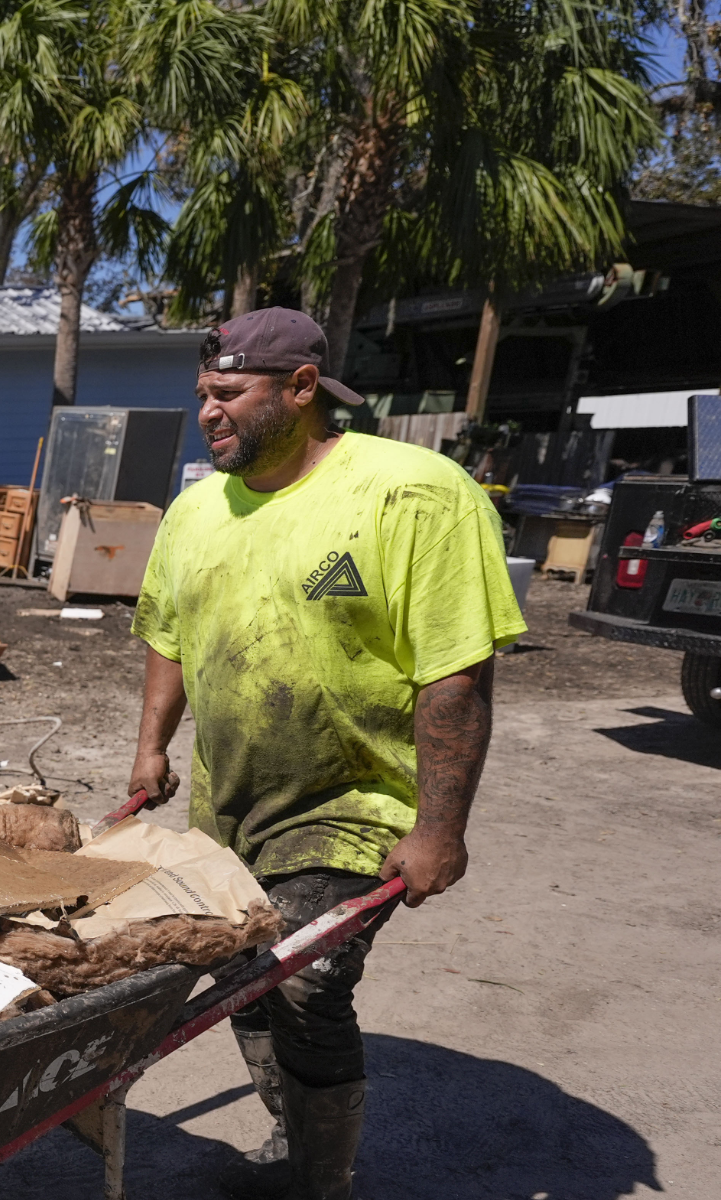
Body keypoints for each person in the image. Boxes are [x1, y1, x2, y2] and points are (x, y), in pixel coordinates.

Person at [126, 308, 526, 1200]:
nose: (209, 414)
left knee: (303, 980)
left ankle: (321, 1180)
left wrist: (440, 830)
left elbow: (455, 673)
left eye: (229, 395)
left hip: (357, 804)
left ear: (302, 390)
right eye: (203, 396)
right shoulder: (195, 510)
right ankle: (292, 1128)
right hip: (232, 807)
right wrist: (152, 748)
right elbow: (168, 636)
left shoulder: (413, 493)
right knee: (238, 969)